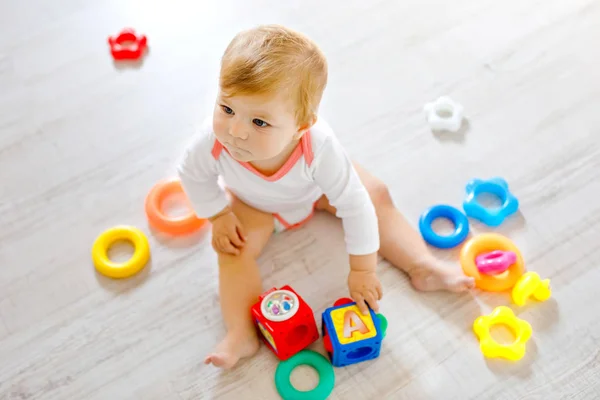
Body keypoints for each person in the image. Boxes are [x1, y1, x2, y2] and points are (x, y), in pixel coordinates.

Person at [178, 24, 474, 369]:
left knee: (375, 194)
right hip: (253, 205)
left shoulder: (319, 148)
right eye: (226, 109)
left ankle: (422, 266)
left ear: (301, 127)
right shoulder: (211, 142)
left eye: (260, 122)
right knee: (231, 249)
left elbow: (354, 204)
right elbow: (191, 173)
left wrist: (362, 270)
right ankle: (241, 332)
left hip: (318, 192)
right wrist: (217, 214)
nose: (236, 130)